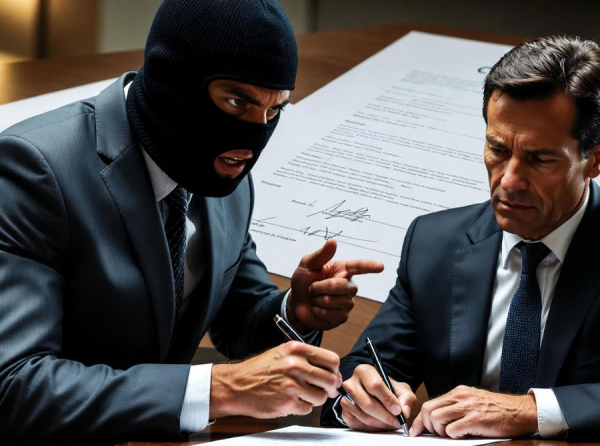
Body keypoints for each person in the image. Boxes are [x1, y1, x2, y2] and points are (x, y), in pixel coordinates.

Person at [0, 0, 384, 443]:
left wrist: (294, 311)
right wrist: (217, 389)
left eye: (274, 110)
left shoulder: (226, 176)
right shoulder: (33, 168)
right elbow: (14, 385)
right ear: (173, 80)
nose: (254, 137)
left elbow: (238, 320)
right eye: (236, 101)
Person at [321, 35, 600, 442]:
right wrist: (362, 398)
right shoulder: (433, 242)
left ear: (594, 159)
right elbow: (364, 370)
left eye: (540, 158)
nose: (509, 181)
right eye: (497, 149)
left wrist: (531, 411)